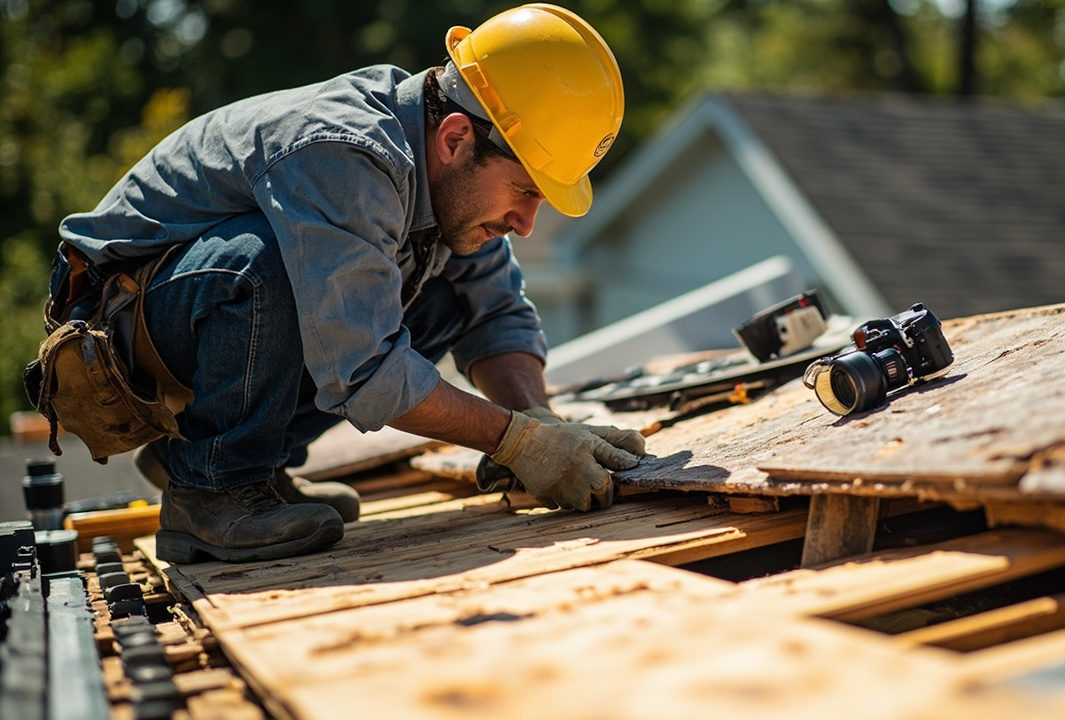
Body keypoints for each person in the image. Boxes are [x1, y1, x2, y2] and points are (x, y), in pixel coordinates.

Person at [50, 4, 645, 564]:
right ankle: (213, 487)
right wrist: (513, 442)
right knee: (266, 262)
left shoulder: (448, 182)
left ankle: (252, 465)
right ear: (456, 138)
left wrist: (539, 423)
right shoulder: (347, 155)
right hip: (117, 322)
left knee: (443, 290)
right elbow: (362, 367)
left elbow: (493, 312)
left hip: (183, 314)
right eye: (525, 191)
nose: (526, 222)